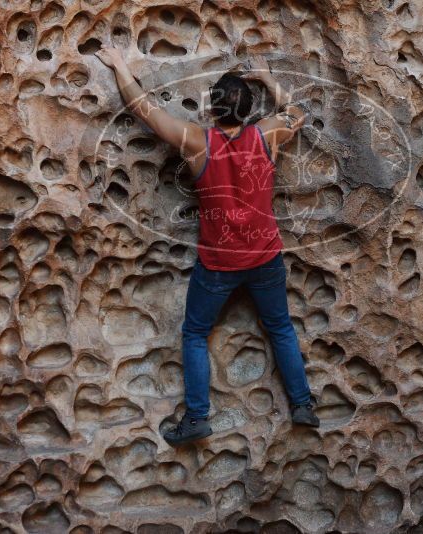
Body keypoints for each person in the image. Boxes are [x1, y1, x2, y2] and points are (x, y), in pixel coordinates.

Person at [96, 45, 319, 447]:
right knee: (280, 328)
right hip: (265, 257)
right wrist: (268, 77)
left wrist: (120, 66)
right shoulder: (267, 135)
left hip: (218, 264)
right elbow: (299, 114)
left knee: (196, 333)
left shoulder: (197, 141)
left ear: (212, 110)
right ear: (250, 109)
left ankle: (197, 417)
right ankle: (303, 404)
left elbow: (144, 109)